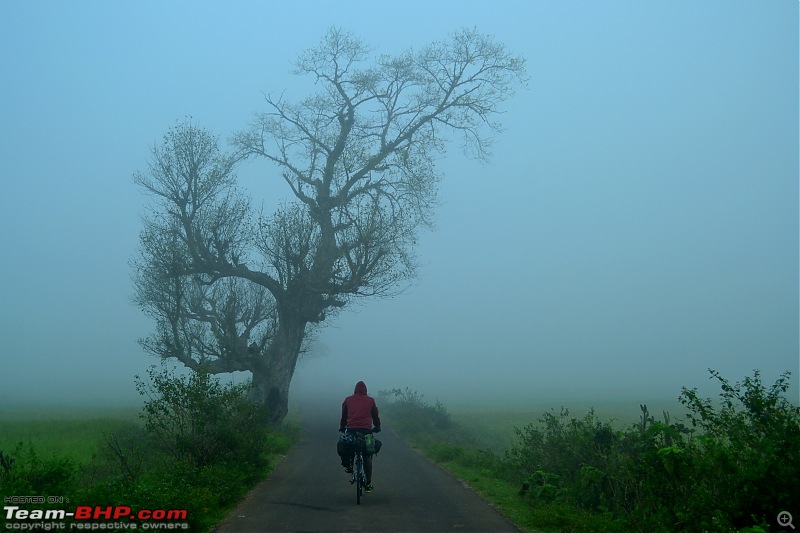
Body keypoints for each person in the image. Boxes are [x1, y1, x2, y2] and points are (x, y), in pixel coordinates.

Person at [339, 380, 381, 492]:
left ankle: (348, 465)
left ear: (355, 390)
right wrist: (377, 427)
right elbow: (375, 416)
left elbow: (344, 416)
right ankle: (368, 483)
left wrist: (342, 427)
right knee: (367, 456)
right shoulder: (371, 400)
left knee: (347, 445)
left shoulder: (348, 400)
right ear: (365, 391)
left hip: (351, 430)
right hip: (366, 431)